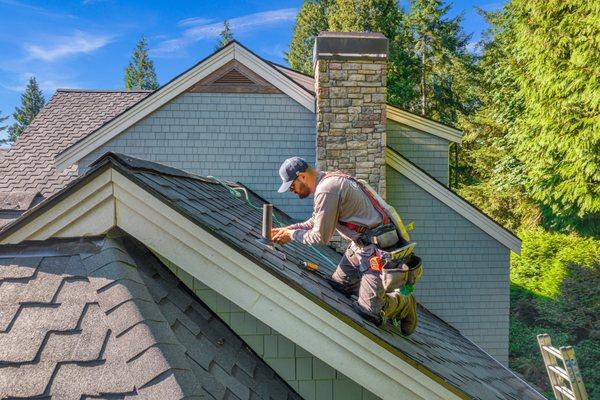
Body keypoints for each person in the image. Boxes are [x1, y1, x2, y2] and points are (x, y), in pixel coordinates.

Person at [272, 157, 417, 335]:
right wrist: (287, 229)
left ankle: (404, 304)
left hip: (378, 252)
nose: (292, 190)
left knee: (370, 311)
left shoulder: (327, 190)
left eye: (291, 186)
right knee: (339, 286)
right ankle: (369, 289)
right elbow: (316, 221)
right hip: (360, 247)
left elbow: (320, 237)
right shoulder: (327, 181)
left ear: (301, 177)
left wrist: (291, 235)